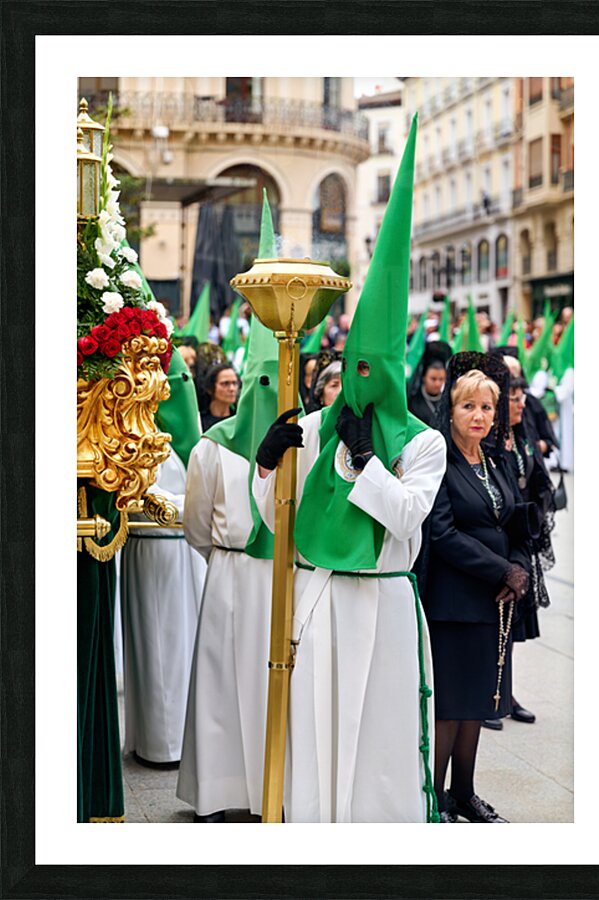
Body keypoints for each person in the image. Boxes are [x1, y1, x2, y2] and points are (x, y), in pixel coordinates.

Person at [254, 115, 447, 823]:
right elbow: (276, 511)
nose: (359, 383)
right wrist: (267, 462)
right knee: (317, 733)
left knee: (380, 746)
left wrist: (367, 460)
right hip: (321, 596)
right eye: (349, 369)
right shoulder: (313, 427)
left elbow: (407, 516)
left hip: (384, 600)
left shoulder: (423, 444)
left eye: (372, 371)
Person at [177, 191, 279, 823]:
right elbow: (195, 522)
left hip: (280, 579)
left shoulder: (298, 445)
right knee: (220, 684)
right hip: (230, 573)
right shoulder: (212, 446)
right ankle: (218, 793)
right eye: (254, 384)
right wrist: (225, 554)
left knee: (272, 685)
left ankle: (269, 787)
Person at [414, 353, 531, 823]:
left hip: (491, 602)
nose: (479, 416)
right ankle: (436, 799)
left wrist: (519, 567)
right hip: (453, 600)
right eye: (468, 407)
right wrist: (502, 570)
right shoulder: (438, 460)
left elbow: (517, 522)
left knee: (477, 704)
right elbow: (442, 534)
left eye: (486, 407)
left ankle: (464, 793)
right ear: (451, 409)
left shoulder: (495, 460)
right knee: (449, 707)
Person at [120, 351, 206, 765]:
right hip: (153, 545)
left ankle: (178, 738)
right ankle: (160, 743)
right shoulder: (138, 434)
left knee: (182, 645)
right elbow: (140, 495)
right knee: (159, 643)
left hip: (187, 547)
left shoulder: (194, 438)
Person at [482, 374, 556, 731]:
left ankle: (504, 692)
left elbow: (536, 474)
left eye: (522, 397)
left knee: (511, 626)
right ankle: (487, 695)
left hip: (521, 539)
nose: (521, 404)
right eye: (513, 398)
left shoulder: (522, 434)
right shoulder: (490, 441)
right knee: (493, 624)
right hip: (499, 540)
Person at [199, 362, 239, 431]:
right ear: (210, 388)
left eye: (234, 383)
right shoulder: (199, 423)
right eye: (225, 383)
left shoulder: (239, 421)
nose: (232, 389)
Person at [408, 360, 446, 427]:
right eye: (433, 379)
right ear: (424, 378)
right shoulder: (413, 404)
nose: (437, 384)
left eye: (441, 379)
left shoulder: (447, 401)